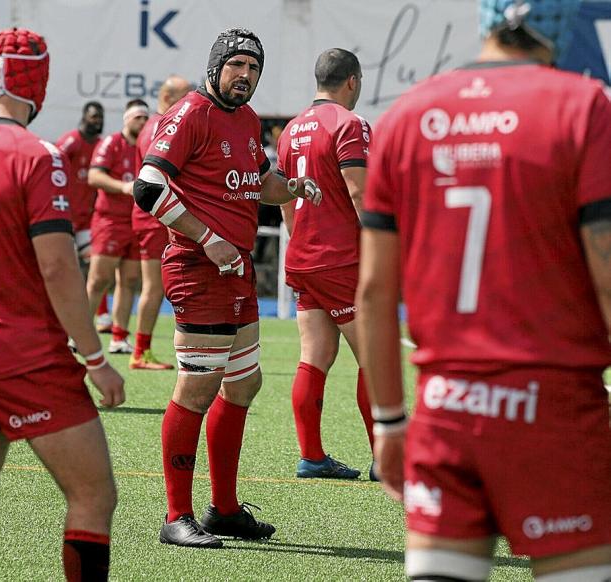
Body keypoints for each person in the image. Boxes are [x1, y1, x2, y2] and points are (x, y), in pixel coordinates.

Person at [357, 1, 611, 580]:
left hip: (446, 408)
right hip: (555, 409)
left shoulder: (409, 112)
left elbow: (374, 290)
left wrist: (391, 422)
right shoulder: (584, 103)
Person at [0, 28, 125, 581]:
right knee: (93, 495)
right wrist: (95, 359)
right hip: (28, 357)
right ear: (36, 79)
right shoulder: (38, 156)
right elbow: (59, 268)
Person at [133, 27, 322, 548]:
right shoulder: (191, 112)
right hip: (198, 267)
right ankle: (177, 515)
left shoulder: (248, 119)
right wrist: (208, 237)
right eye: (237, 65)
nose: (246, 76)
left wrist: (295, 186)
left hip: (235, 271)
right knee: (196, 387)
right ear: (215, 68)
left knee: (243, 383)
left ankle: (224, 509)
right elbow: (147, 187)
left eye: (254, 68)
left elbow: (261, 182)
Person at [278, 48, 374, 480]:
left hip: (303, 255)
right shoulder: (349, 123)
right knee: (376, 358)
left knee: (315, 354)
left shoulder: (290, 129)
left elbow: (284, 202)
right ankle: (387, 461)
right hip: (341, 259)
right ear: (352, 81)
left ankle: (312, 456)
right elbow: (358, 193)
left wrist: (301, 241)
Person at [129, 76, 192, 370]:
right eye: (186, 94)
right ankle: (140, 351)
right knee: (154, 287)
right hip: (155, 216)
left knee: (153, 287)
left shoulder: (155, 124)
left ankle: (140, 348)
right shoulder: (160, 125)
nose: (191, 100)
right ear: (169, 96)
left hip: (152, 214)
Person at [87, 99, 149, 354]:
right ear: (127, 119)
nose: (143, 123)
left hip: (137, 221)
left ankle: (119, 336)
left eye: (146, 118)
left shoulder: (147, 146)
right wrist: (124, 187)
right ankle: (78, 335)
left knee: (130, 280)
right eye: (138, 118)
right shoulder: (112, 143)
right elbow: (94, 176)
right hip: (110, 221)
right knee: (99, 280)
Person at [56, 101, 105, 265]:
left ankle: (88, 292)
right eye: (94, 117)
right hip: (65, 215)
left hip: (87, 219)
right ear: (84, 117)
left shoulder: (102, 145)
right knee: (62, 264)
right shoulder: (71, 141)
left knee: (93, 264)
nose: (98, 121)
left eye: (100, 117)